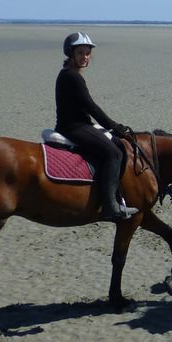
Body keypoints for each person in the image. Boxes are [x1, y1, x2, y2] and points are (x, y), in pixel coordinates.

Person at [55, 32, 139, 221]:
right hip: (73, 127)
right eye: (80, 53)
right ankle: (110, 207)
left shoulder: (70, 73)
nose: (85, 57)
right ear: (71, 54)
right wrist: (116, 128)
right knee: (114, 154)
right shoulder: (72, 76)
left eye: (87, 53)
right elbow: (91, 107)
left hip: (78, 124)